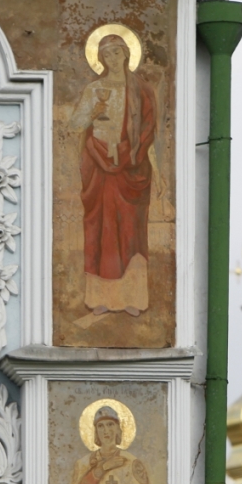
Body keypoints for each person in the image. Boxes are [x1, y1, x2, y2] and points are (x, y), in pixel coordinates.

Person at [69, 34, 156, 317]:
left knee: (130, 232)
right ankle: (101, 299)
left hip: (130, 169)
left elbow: (148, 127)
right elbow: (77, 124)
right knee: (102, 231)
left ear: (126, 54)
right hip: (99, 166)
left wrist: (131, 152)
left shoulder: (141, 90)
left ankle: (132, 298)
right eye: (107, 56)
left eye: (116, 53)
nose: (112, 59)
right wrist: (95, 109)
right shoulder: (95, 89)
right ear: (101, 60)